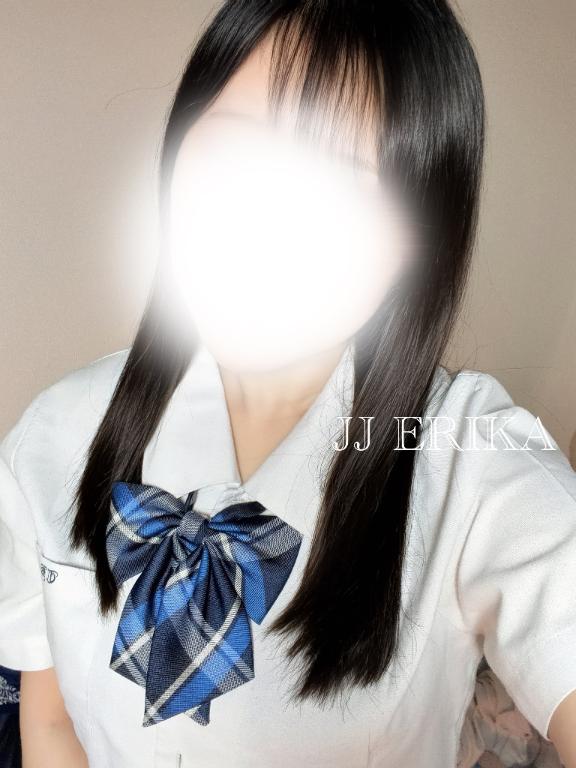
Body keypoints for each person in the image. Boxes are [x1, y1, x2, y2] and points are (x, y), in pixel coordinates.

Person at [1, 2, 575, 766]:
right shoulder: (53, 432)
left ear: (421, 240)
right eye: (239, 143)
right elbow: (48, 721)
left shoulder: (471, 451)